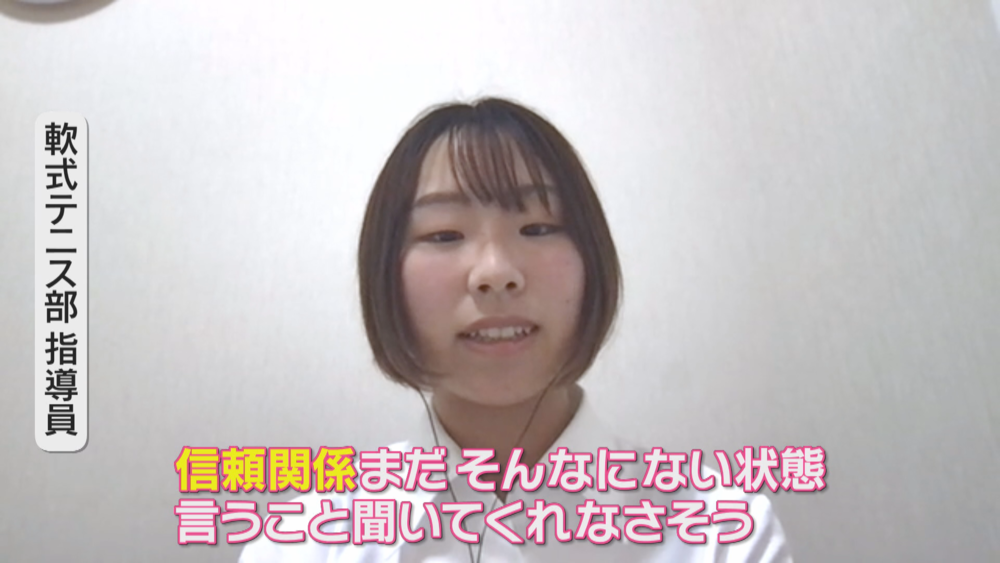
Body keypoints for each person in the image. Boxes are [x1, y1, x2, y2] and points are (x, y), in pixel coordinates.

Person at [240, 97, 792, 562]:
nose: (495, 272)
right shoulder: (304, 544)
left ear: (593, 261)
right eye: (444, 235)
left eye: (538, 227)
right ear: (385, 274)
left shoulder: (721, 535)